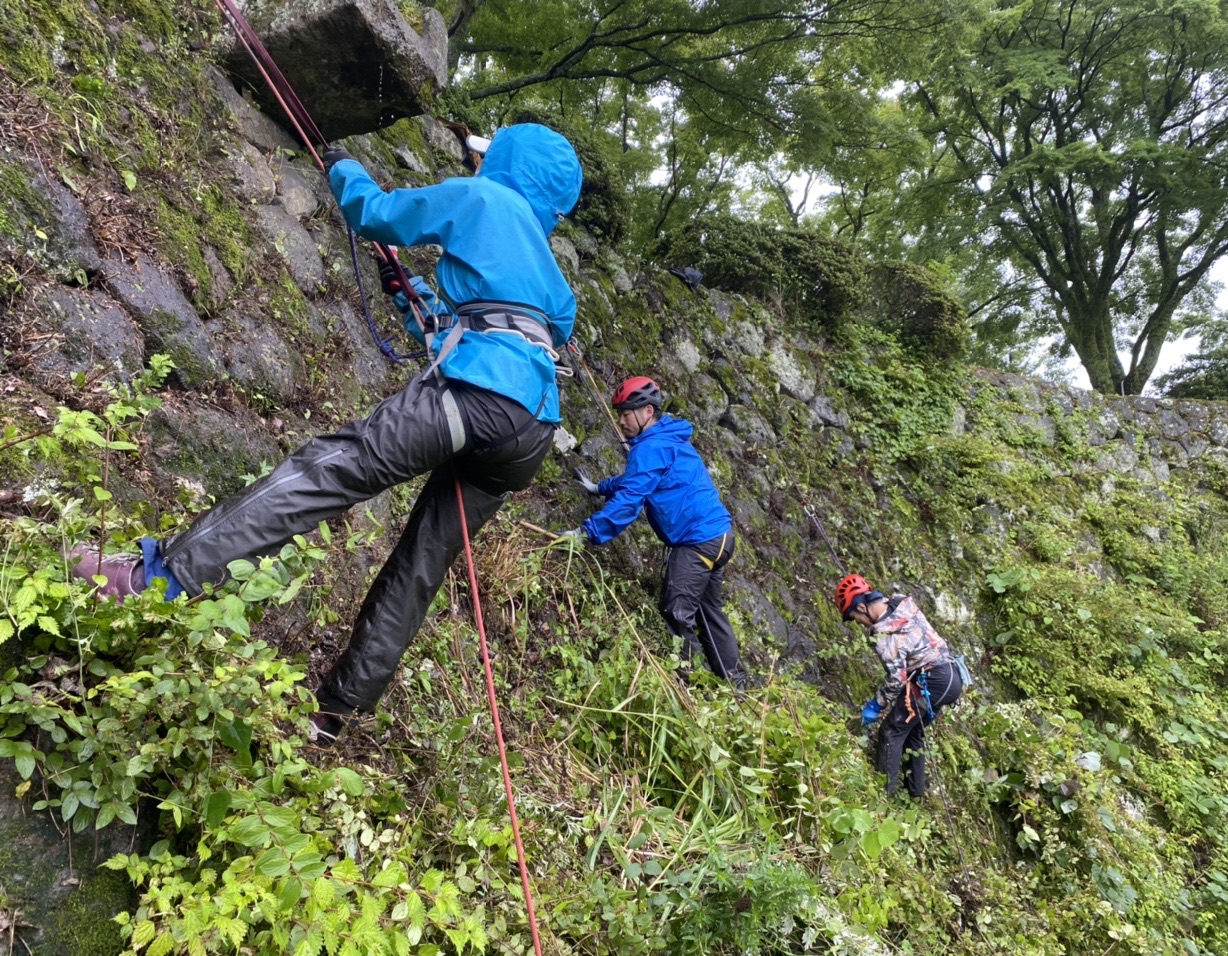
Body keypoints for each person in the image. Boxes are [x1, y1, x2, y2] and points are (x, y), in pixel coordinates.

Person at [69, 123, 583, 747]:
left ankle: (157, 582)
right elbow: (500, 325)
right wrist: (411, 293)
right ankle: (334, 716)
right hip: (529, 432)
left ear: (506, 163)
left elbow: (378, 214)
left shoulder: (487, 200)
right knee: (421, 565)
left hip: (479, 393)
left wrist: (342, 165)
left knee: (329, 471)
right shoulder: (554, 278)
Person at [563, 377, 747, 689]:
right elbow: (637, 481)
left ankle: (693, 683)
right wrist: (599, 488)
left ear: (648, 411)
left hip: (698, 541)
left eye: (626, 414)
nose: (621, 422)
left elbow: (631, 500)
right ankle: (737, 688)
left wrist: (585, 533)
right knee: (709, 612)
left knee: (677, 611)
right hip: (718, 536)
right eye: (619, 414)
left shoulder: (651, 448)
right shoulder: (665, 441)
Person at [835, 574, 962, 798]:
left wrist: (875, 705)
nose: (859, 624)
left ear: (863, 608)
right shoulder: (902, 601)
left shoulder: (884, 637)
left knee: (891, 731)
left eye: (856, 618)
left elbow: (896, 679)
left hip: (929, 680)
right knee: (913, 731)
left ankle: (883, 799)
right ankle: (915, 794)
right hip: (951, 676)